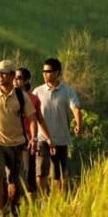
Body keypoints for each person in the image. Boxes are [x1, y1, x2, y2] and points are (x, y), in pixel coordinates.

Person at [0, 60, 55, 217]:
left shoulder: (21, 96)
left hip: (17, 144)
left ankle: (11, 207)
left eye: (3, 73)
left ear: (11, 75)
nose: (0, 76)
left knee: (15, 183)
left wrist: (32, 137)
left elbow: (33, 119)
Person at [33, 58, 83, 194]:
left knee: (58, 175)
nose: (45, 74)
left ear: (57, 72)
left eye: (48, 71)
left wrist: (79, 124)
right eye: (43, 71)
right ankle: (43, 200)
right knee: (40, 173)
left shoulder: (67, 91)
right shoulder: (37, 92)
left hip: (61, 139)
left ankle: (56, 202)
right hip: (42, 138)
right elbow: (31, 115)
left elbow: (76, 109)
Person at [13, 67, 50, 195]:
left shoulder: (33, 99)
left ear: (26, 80)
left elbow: (38, 120)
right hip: (9, 140)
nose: (15, 81)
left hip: (27, 141)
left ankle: (30, 207)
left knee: (28, 174)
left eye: (19, 78)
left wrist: (45, 138)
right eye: (14, 78)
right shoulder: (7, 97)